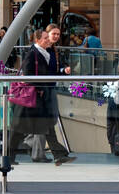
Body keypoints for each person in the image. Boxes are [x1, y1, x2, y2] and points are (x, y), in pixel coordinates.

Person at [10, 29, 74, 165]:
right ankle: (9, 157)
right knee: (18, 129)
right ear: (38, 40)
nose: (48, 40)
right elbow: (28, 75)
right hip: (31, 97)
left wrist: (61, 74)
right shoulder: (33, 53)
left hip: (38, 96)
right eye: (45, 38)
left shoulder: (44, 53)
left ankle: (59, 155)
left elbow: (48, 74)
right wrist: (40, 86)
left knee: (46, 124)